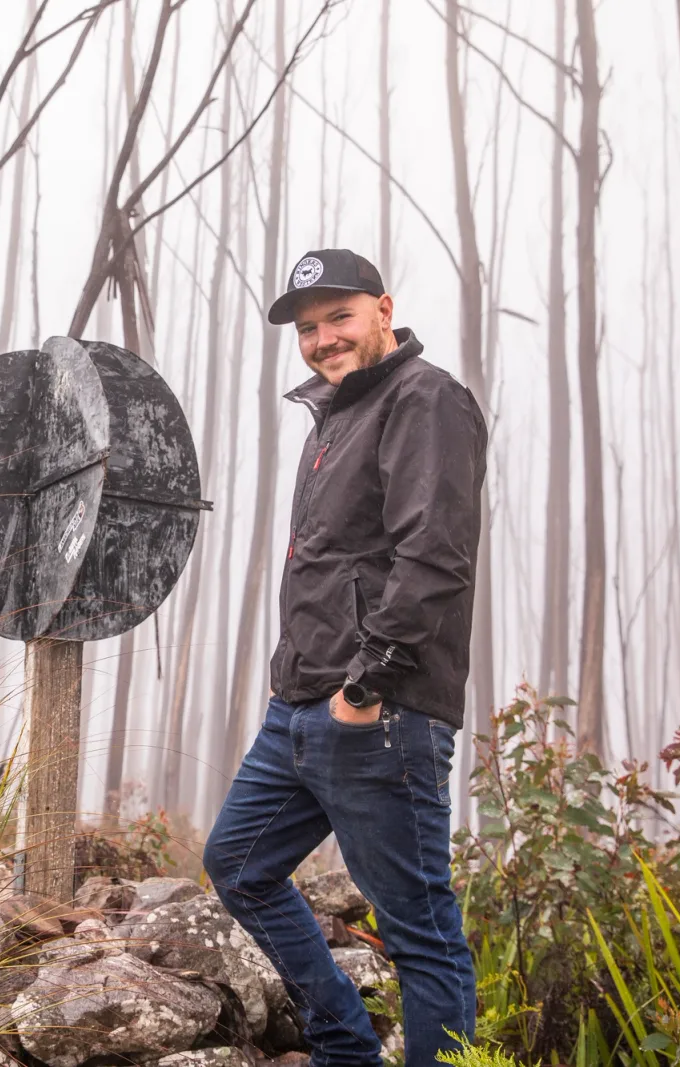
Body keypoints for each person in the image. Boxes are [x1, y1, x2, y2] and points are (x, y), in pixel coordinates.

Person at [203, 249, 487, 1065]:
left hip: (377, 711)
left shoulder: (424, 398)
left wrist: (366, 686)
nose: (324, 338)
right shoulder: (336, 418)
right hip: (300, 706)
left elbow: (432, 556)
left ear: (384, 308)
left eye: (340, 317)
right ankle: (344, 1047)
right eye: (309, 327)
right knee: (240, 864)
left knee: (419, 930)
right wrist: (298, 683)